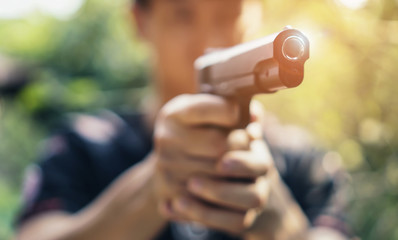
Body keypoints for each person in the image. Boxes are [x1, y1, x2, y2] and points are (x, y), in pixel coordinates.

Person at [15, 0, 352, 239]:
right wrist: (153, 187)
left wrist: (277, 222)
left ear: (258, 11)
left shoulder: (304, 160)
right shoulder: (82, 147)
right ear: (140, 21)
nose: (210, 41)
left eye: (229, 12)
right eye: (182, 15)